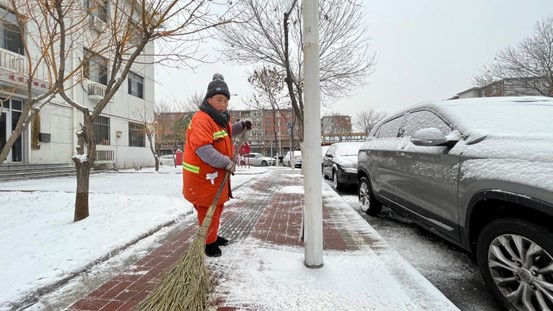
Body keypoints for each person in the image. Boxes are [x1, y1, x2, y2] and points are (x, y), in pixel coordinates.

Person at [182, 73, 251, 257]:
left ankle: (212, 236)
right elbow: (203, 150)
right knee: (207, 212)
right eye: (219, 100)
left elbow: (228, 132)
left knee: (217, 208)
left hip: (214, 179)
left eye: (226, 101)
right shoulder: (202, 119)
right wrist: (226, 162)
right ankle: (207, 243)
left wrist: (242, 125)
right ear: (209, 98)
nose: (223, 104)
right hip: (201, 180)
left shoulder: (218, 119)